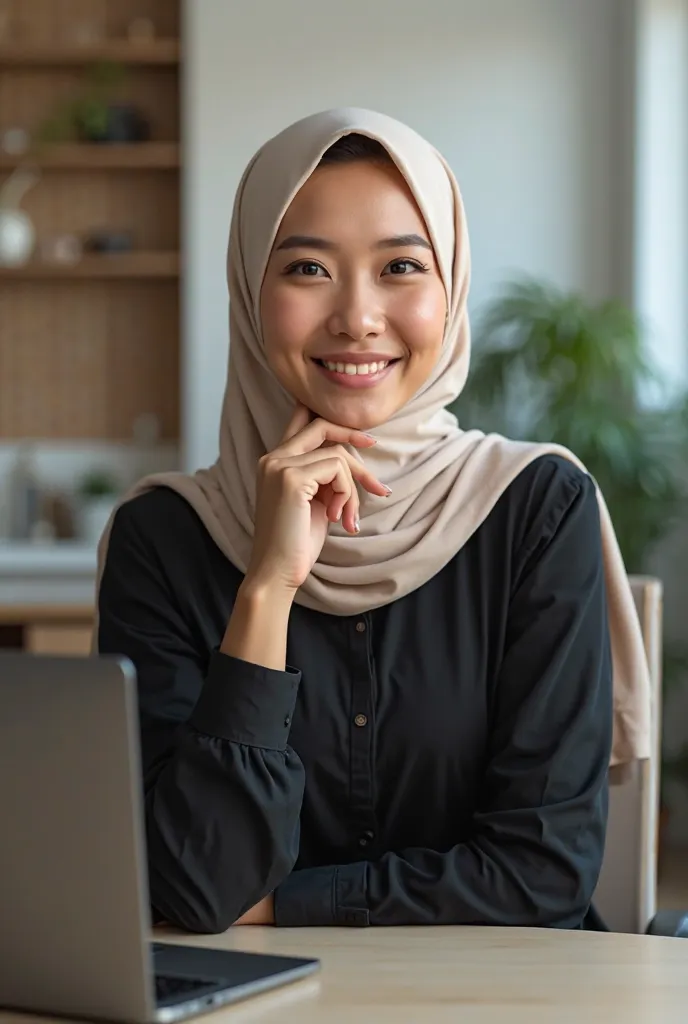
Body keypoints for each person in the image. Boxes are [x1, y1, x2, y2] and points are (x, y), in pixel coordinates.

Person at [95, 108, 650, 934]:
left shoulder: (536, 506)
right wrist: (268, 588)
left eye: (400, 265)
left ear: (451, 284)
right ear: (251, 290)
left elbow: (544, 878)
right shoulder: (165, 538)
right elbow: (193, 887)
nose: (357, 316)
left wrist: (285, 905)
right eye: (308, 268)